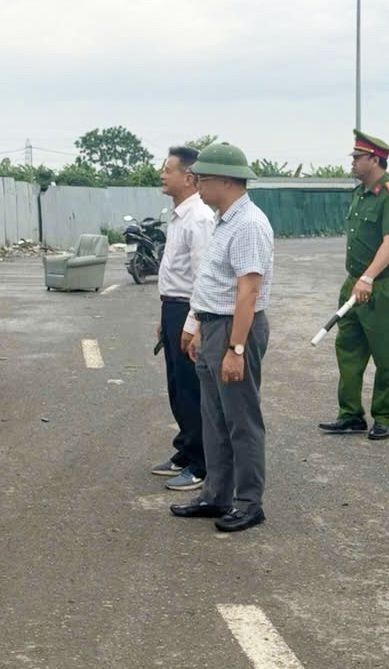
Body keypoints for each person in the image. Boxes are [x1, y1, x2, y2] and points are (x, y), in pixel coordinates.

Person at [169, 142, 274, 533]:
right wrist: (197, 325)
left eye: (204, 179)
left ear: (226, 181)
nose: (197, 185)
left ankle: (248, 502)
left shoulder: (248, 224)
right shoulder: (225, 219)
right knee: (214, 419)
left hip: (234, 328)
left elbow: (247, 292)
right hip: (215, 325)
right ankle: (216, 494)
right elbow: (213, 281)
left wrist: (236, 348)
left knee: (241, 421)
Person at [318, 130, 389, 440]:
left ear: (375, 159)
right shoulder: (359, 194)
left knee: (386, 354)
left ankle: (385, 415)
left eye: (358, 158)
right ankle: (350, 414)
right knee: (348, 348)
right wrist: (358, 280)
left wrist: (368, 277)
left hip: (382, 285)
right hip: (354, 283)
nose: (353, 163)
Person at [150, 146, 216, 492]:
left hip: (190, 309)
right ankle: (185, 449)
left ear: (188, 178)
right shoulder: (178, 215)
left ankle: (201, 463)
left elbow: (202, 277)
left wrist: (194, 323)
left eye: (168, 169)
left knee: (192, 388)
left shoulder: (200, 218)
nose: (162, 174)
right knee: (177, 387)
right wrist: (165, 316)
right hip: (174, 308)